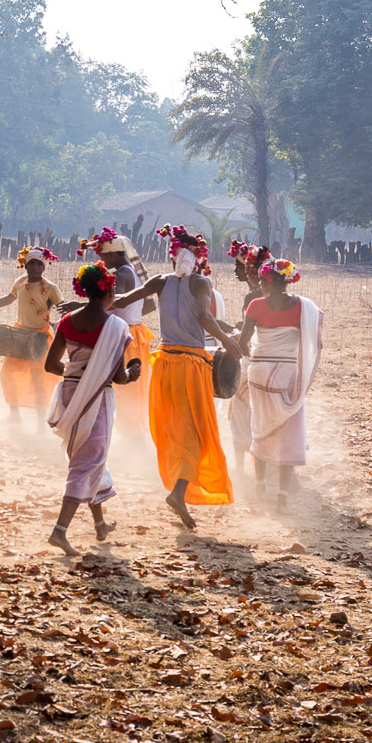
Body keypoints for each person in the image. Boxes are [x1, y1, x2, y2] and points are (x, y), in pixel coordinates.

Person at [119, 225, 238, 529]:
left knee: (174, 428)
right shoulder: (201, 282)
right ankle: (179, 492)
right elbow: (203, 317)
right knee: (196, 430)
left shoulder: (160, 281)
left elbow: (122, 301)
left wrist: (85, 305)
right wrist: (229, 340)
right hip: (190, 365)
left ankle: (179, 490)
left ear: (173, 257)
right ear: (196, 259)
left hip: (164, 363)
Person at [42, 261, 141, 553]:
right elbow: (119, 377)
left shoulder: (68, 320)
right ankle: (60, 531)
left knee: (89, 455)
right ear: (109, 290)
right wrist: (134, 372)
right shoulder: (116, 327)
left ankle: (100, 524)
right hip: (96, 399)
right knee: (87, 460)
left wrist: (77, 375)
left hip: (70, 394)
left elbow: (51, 365)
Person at [234, 259, 323, 509]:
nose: (259, 285)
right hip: (287, 375)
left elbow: (242, 345)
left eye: (261, 280)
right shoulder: (304, 308)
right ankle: (282, 496)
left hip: (259, 375)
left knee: (260, 429)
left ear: (266, 281)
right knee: (289, 432)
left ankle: (260, 486)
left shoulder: (256, 305)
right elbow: (317, 345)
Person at [0, 246, 63, 415]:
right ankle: (14, 415)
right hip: (19, 334)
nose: (35, 268)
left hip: (40, 336)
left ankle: (41, 422)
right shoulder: (20, 282)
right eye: (31, 264)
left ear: (43, 267)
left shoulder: (50, 288)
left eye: (38, 264)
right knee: (8, 374)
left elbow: (63, 309)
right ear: (25, 266)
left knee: (38, 379)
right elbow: (7, 299)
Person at [87, 228, 154, 439]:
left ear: (113, 254)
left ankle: (130, 438)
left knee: (124, 386)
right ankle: (131, 434)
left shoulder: (121, 275)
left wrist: (79, 309)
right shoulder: (132, 272)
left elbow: (108, 304)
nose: (103, 262)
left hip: (125, 335)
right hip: (135, 331)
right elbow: (149, 305)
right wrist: (131, 315)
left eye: (104, 257)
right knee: (131, 388)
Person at [223, 239, 272, 472]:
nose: (235, 270)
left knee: (241, 411)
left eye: (238, 265)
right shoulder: (274, 294)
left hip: (252, 360)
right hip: (273, 362)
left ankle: (241, 468)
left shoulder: (251, 297)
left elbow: (248, 335)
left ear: (249, 270)